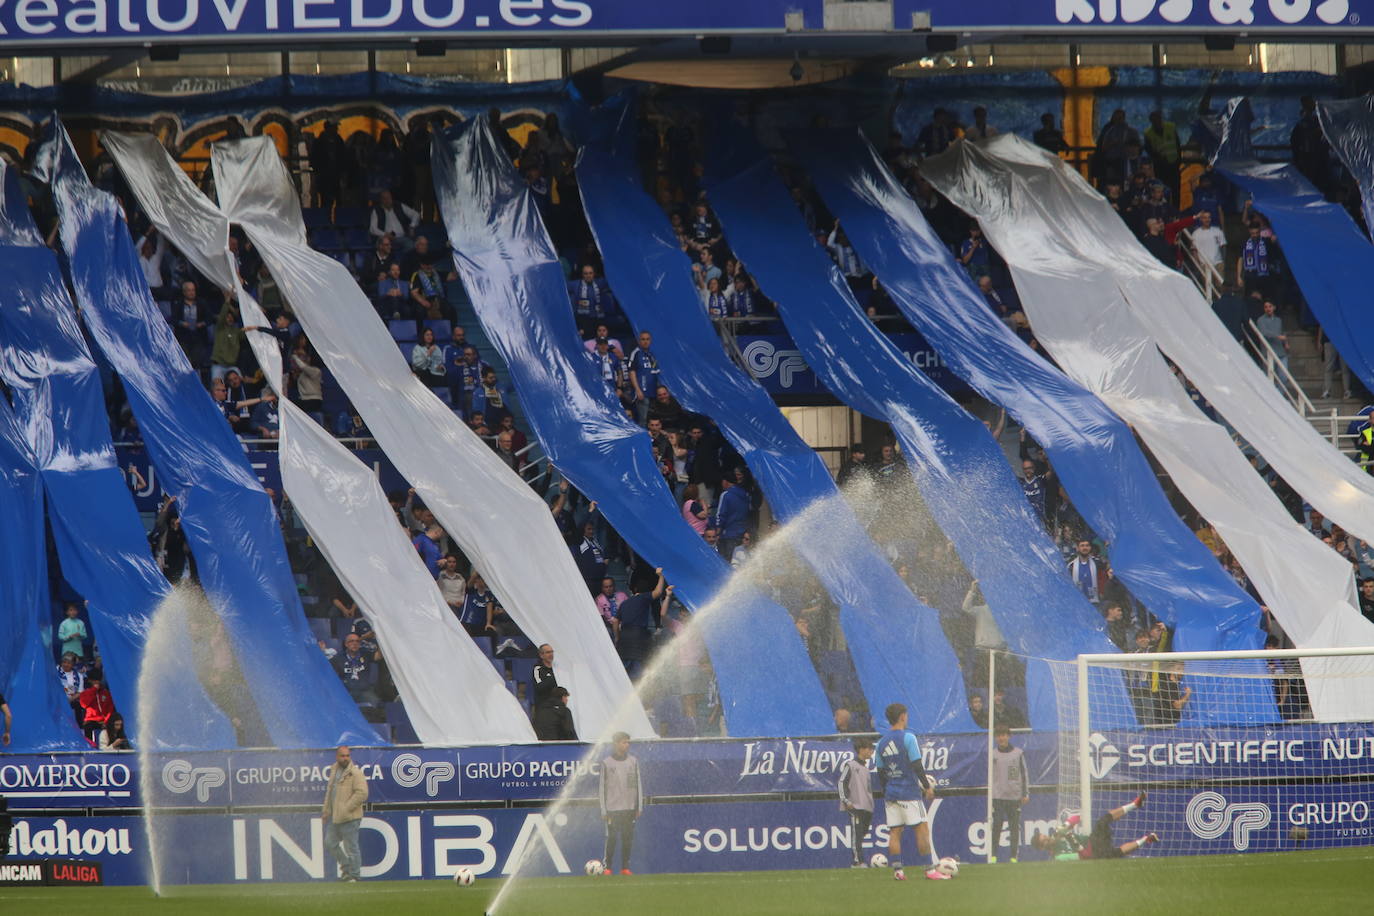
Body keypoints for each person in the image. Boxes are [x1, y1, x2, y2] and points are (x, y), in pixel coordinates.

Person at [875, 702, 944, 881]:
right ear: (903, 716)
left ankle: (898, 871)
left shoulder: (881, 743)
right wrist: (927, 786)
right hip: (909, 792)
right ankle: (930, 870)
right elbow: (916, 765)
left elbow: (881, 772)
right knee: (921, 829)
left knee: (895, 832)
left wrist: (887, 790)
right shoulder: (908, 738)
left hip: (891, 793)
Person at [1031, 792, 1156, 860]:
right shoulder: (1058, 857)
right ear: (1043, 848)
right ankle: (1146, 839)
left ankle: (1135, 804)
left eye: (1046, 837)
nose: (1048, 839)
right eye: (1045, 842)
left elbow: (1077, 817)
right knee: (1115, 853)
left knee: (1102, 821)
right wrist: (1072, 840)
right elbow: (1085, 856)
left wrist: (1066, 825)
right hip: (1093, 854)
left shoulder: (1059, 834)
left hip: (1093, 840)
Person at [322, 745, 369, 882]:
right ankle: (347, 867)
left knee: (351, 848)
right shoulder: (334, 770)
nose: (345, 758)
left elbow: (362, 793)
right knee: (330, 843)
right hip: (335, 817)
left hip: (350, 817)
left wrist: (346, 808)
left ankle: (354, 875)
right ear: (337, 757)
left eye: (347, 755)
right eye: (342, 756)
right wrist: (326, 811)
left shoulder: (355, 773)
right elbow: (330, 793)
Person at [599, 731, 643, 876]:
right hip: (613, 808)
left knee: (627, 838)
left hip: (629, 807)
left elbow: (638, 785)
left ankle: (625, 867)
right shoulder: (606, 763)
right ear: (616, 744)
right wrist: (603, 810)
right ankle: (608, 867)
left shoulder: (633, 761)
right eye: (624, 742)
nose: (627, 745)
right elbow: (602, 788)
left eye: (628, 742)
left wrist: (639, 806)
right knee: (611, 838)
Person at [988, 724, 1029, 864]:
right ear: (996, 737)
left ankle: (1013, 857)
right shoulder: (992, 754)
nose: (1001, 738)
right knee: (997, 826)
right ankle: (993, 856)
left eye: (1004, 735)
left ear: (1009, 736)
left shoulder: (1018, 753)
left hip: (1014, 797)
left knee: (1014, 828)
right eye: (999, 735)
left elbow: (1024, 774)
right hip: (998, 797)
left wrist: (1025, 793)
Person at [838, 736, 876, 868]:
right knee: (857, 834)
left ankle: (859, 859)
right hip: (855, 806)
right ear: (861, 749)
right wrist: (846, 800)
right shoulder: (851, 765)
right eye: (869, 748)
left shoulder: (866, 769)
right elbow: (841, 782)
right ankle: (857, 861)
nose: (871, 751)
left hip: (866, 807)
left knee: (861, 833)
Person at [77, 671, 114, 744]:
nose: (97, 683)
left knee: (113, 725)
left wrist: (106, 720)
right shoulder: (85, 693)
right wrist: (94, 690)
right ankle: (89, 745)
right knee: (87, 726)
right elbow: (84, 705)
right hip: (91, 719)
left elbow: (110, 708)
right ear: (90, 681)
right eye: (94, 681)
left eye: (98, 680)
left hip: (104, 720)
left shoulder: (106, 693)